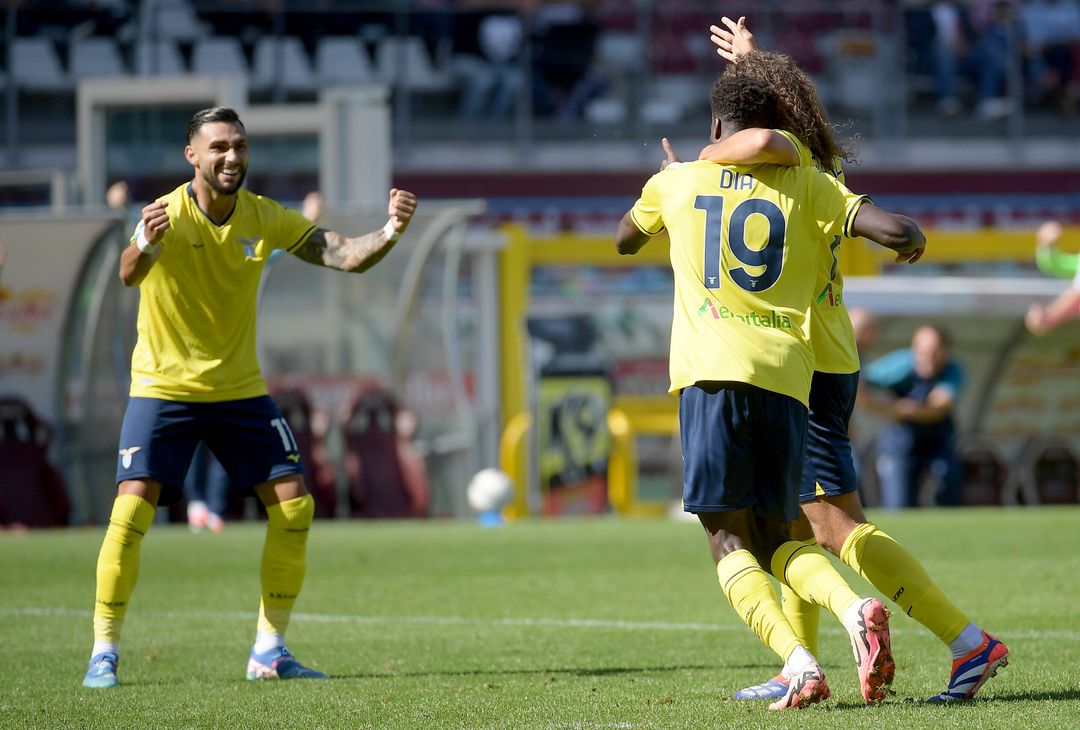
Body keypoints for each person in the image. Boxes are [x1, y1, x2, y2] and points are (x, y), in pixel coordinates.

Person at [702, 15, 1008, 704]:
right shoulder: (818, 161)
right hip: (822, 354)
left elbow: (753, 142)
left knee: (833, 527)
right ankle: (802, 661)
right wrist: (758, 68)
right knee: (799, 518)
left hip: (803, 362)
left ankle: (968, 642)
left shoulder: (792, 167)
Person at [616, 69, 926, 710]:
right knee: (784, 531)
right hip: (790, 376)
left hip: (712, 373)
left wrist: (674, 183)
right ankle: (853, 605)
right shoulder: (808, 180)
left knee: (726, 536)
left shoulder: (675, 183)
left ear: (715, 127)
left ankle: (798, 661)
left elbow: (623, 240)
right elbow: (894, 230)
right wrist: (912, 239)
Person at [82, 106, 418, 688]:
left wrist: (391, 230)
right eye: (218, 147)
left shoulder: (264, 217)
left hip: (237, 390)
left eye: (239, 146)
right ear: (193, 155)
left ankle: (269, 651)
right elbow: (129, 273)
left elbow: (343, 254)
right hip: (164, 387)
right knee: (132, 508)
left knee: (295, 506)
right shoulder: (167, 214)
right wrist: (142, 240)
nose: (231, 156)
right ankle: (104, 652)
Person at [862, 324, 965, 509]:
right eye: (923, 351)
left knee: (949, 477)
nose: (928, 358)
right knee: (899, 504)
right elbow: (859, 386)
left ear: (946, 351)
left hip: (938, 443)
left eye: (934, 352)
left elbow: (938, 407)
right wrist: (887, 408)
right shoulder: (900, 365)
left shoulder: (953, 370)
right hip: (900, 443)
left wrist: (904, 410)